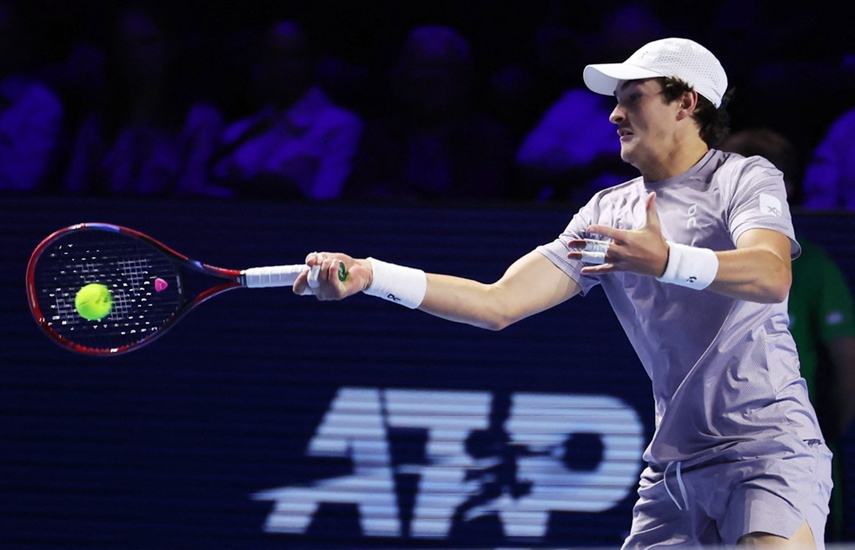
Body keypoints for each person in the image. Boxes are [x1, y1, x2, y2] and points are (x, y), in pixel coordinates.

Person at [293, 38, 832, 548]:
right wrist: (371, 274)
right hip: (675, 467)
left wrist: (666, 259)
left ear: (685, 102)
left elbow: (769, 273)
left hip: (768, 448)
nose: (615, 115)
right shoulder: (605, 213)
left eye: (632, 99)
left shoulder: (743, 178)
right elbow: (496, 303)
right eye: (616, 104)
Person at [721, 128, 855, 541]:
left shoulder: (813, 268)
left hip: (790, 461)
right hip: (707, 459)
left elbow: (847, 366)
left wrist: (824, 436)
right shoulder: (695, 262)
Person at [344, 25, 515, 203]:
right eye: (421, 66)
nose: (431, 77)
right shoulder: (378, 138)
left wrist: (417, 203)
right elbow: (356, 199)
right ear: (402, 77)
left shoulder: (489, 139)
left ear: (462, 77)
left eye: (441, 67)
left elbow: (483, 204)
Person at [210, 19, 362, 201]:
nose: (282, 68)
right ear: (260, 64)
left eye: (294, 57)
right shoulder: (236, 133)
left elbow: (326, 207)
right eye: (273, 57)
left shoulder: (341, 125)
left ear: (312, 62)